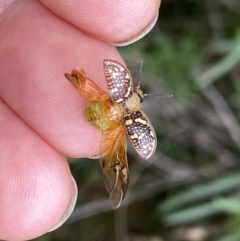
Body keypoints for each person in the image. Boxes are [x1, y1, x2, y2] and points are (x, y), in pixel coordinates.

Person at [0, 1, 160, 240]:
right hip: (104, 119)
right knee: (115, 157)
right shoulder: (127, 120)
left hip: (99, 105)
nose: (137, 92)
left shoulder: (123, 103)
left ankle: (79, 79)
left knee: (82, 79)